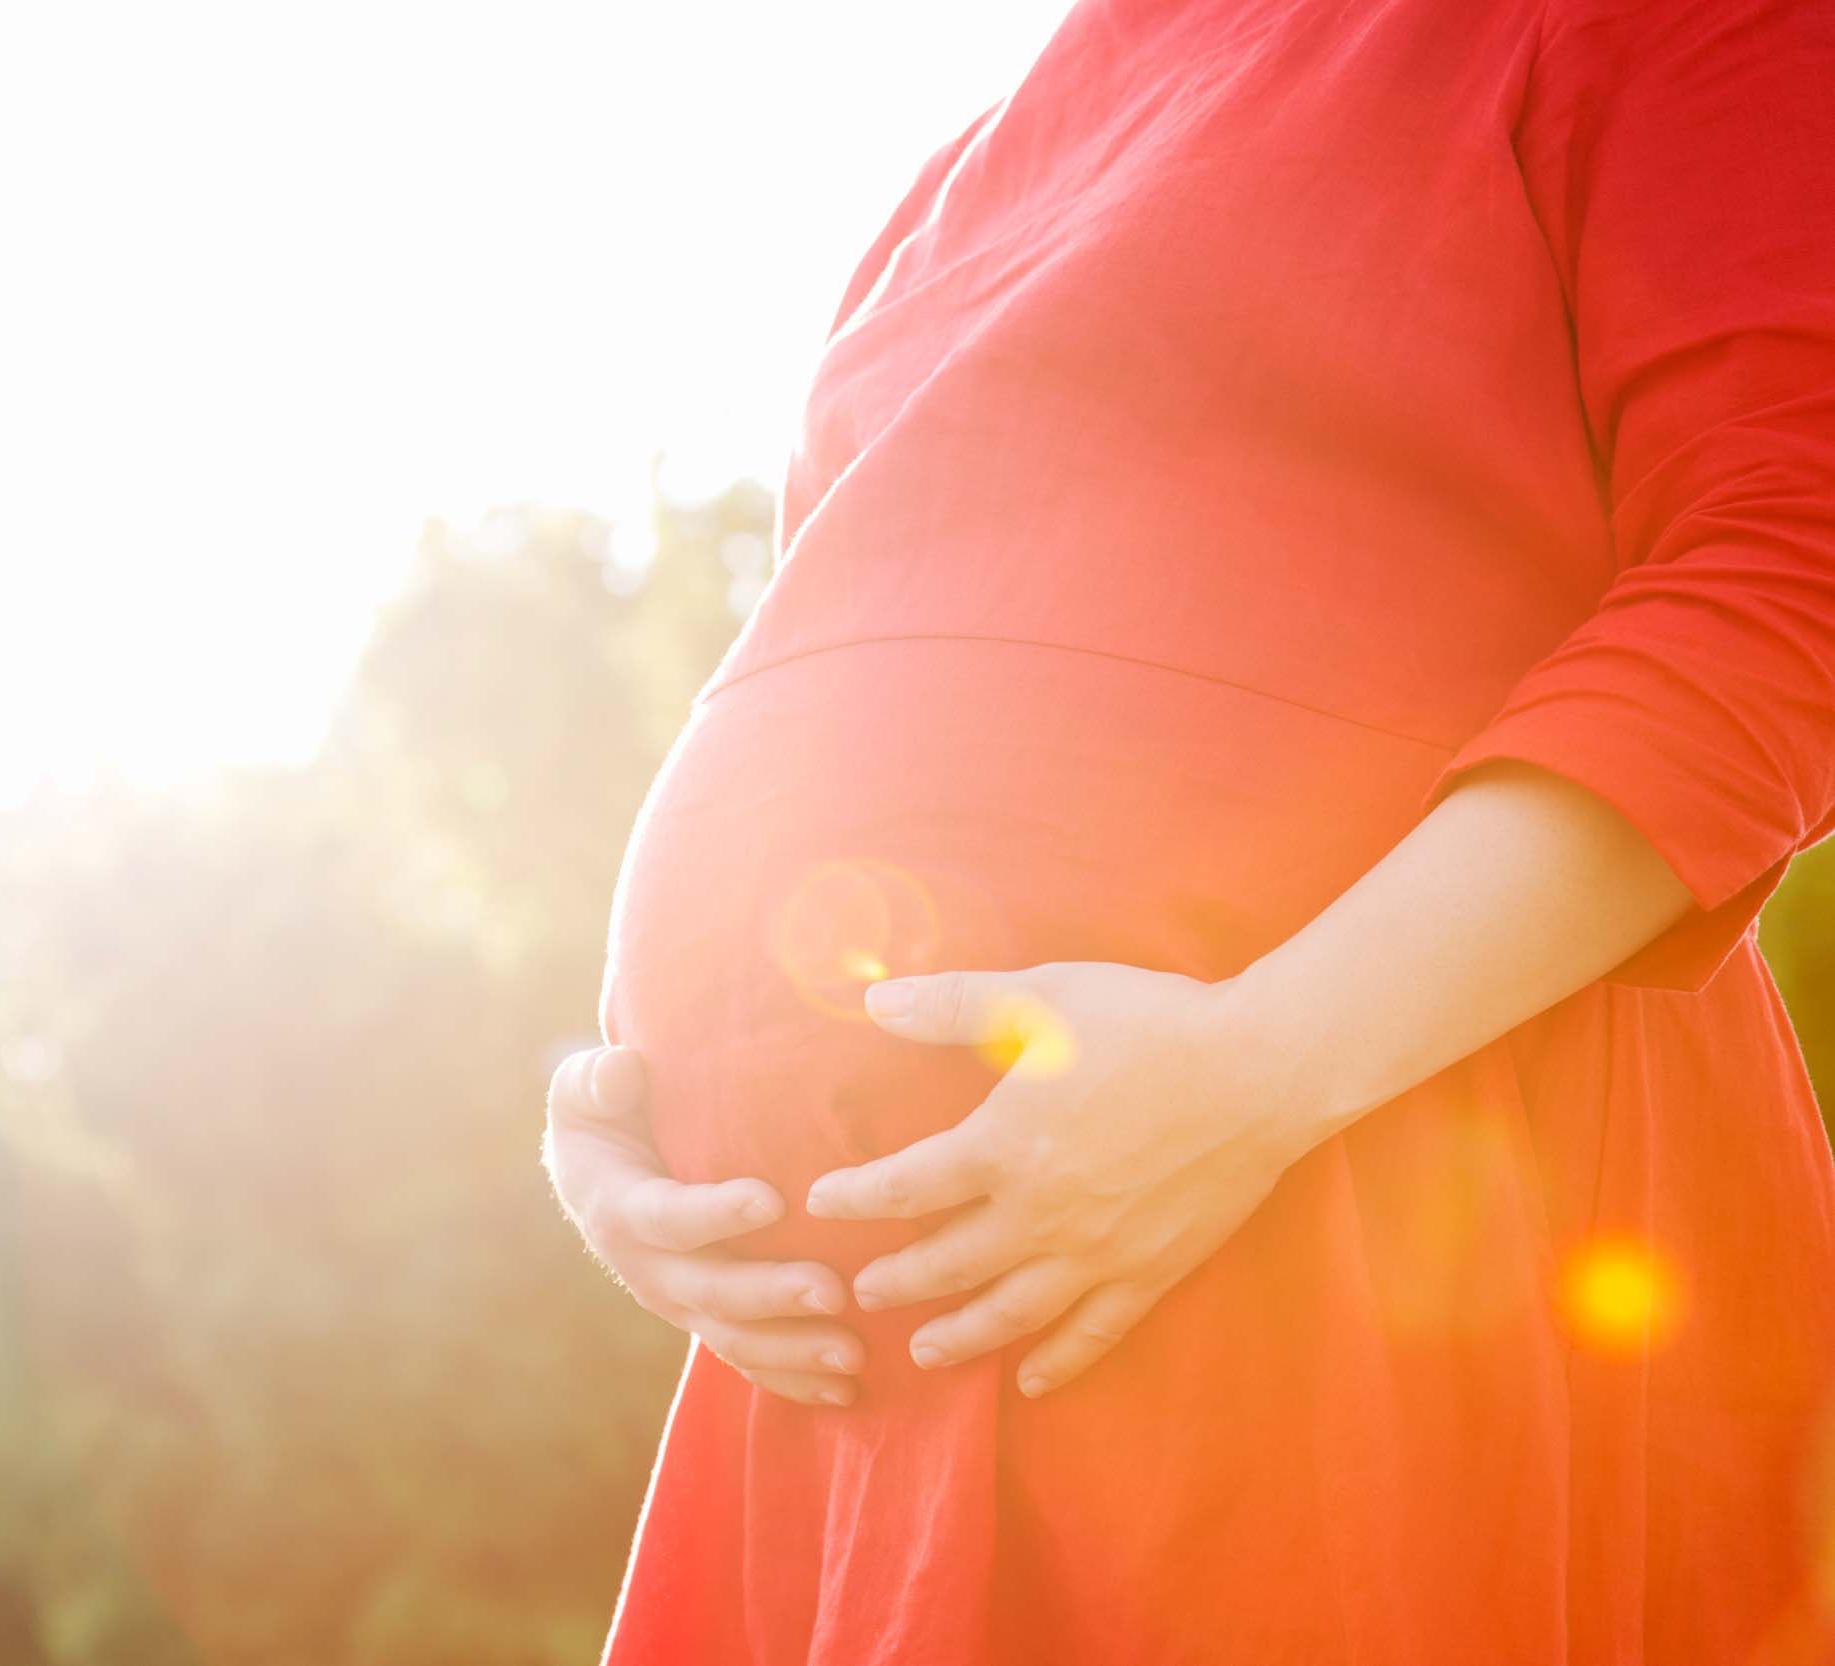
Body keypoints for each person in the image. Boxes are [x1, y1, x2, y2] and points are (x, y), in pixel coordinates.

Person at [541, 0, 1835, 1660]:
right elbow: (842, 692)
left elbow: (1790, 566)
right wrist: (634, 1112)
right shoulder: (977, 159)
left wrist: (1264, 1067)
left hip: (1342, 1230)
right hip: (858, 1376)